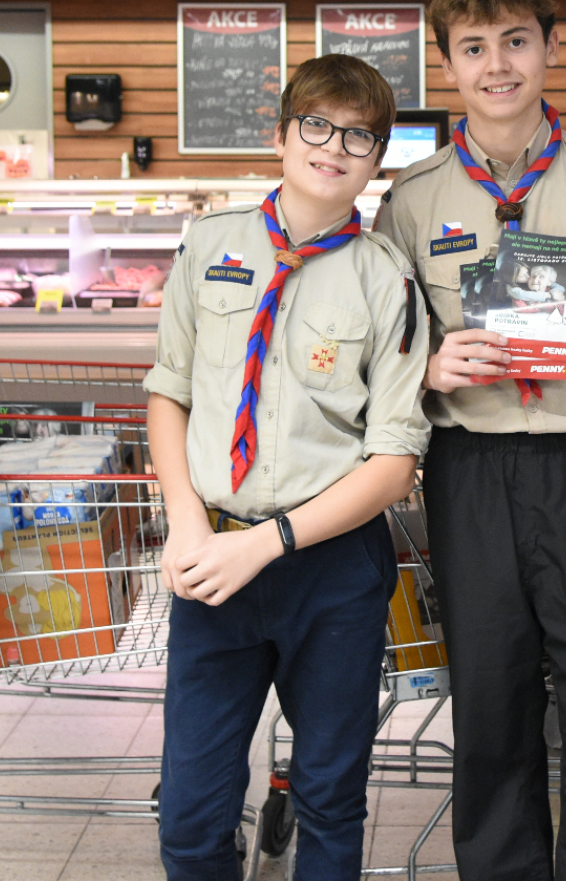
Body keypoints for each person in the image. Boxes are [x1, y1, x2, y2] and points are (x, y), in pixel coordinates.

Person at [373, 0, 566, 881]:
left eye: (515, 41)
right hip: (469, 475)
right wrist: (429, 370)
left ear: (550, 47)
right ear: (447, 65)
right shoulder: (411, 202)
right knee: (491, 714)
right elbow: (381, 358)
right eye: (474, 48)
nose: (497, 65)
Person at [147, 53, 430, 881]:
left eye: (359, 136)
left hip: (333, 572)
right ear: (280, 135)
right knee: (190, 813)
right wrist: (188, 523)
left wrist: (264, 544)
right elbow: (168, 392)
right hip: (212, 563)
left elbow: (394, 464)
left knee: (330, 798)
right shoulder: (209, 244)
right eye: (317, 125)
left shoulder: (388, 279)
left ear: (377, 160)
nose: (334, 146)